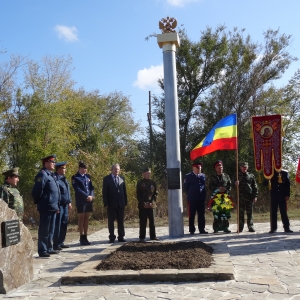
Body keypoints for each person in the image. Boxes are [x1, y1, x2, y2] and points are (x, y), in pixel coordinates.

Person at [32, 154, 60, 258]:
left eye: (54, 162)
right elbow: (37, 190)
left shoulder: (51, 175)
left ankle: (49, 247)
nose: (54, 164)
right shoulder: (42, 174)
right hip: (46, 205)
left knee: (51, 229)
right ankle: (42, 249)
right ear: (46, 163)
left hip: (53, 206)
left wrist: (56, 205)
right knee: (44, 229)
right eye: (52, 162)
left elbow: (55, 192)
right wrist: (39, 202)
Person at [102, 163, 127, 243]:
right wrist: (106, 203)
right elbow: (104, 192)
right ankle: (112, 237)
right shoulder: (106, 179)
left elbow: (124, 191)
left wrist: (125, 201)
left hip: (120, 204)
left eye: (118, 169)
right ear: (112, 170)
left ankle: (121, 236)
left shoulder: (122, 178)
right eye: (115, 169)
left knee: (120, 221)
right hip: (111, 204)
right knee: (111, 221)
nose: (116, 171)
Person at [71, 161, 94, 245]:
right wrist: (86, 196)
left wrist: (91, 196)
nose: (85, 170)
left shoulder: (88, 176)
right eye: (84, 168)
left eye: (86, 168)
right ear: (80, 168)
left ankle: (85, 236)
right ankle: (81, 236)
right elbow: (77, 189)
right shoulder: (75, 177)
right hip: (81, 200)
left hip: (89, 200)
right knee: (81, 218)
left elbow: (91, 187)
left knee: (86, 218)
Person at [184, 160, 208, 234]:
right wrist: (191, 193)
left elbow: (204, 186)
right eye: (197, 168)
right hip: (192, 199)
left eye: (200, 168)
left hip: (201, 199)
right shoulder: (188, 176)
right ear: (193, 168)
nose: (199, 169)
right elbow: (185, 187)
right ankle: (192, 229)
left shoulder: (203, 176)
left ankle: (202, 229)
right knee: (192, 214)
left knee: (201, 215)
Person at [208, 160, 232, 233]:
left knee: (225, 212)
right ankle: (216, 228)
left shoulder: (226, 176)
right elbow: (210, 186)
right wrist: (217, 189)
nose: (220, 168)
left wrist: (226, 188)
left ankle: (225, 227)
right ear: (215, 168)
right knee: (217, 212)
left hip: (225, 197)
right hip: (216, 197)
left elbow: (230, 185)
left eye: (221, 167)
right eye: (218, 167)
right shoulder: (212, 177)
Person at [136, 167, 158, 242]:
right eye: (147, 173)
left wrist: (152, 202)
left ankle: (153, 236)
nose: (148, 174)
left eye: (149, 173)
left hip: (152, 205)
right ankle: (142, 236)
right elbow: (138, 194)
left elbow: (155, 194)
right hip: (143, 206)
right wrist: (143, 203)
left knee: (152, 221)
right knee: (143, 221)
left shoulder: (153, 182)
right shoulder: (140, 182)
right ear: (143, 174)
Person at [53, 162, 72, 250]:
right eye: (64, 168)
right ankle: (56, 243)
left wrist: (69, 202)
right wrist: (56, 206)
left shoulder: (64, 178)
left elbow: (68, 191)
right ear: (59, 169)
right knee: (58, 224)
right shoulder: (55, 178)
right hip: (59, 205)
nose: (65, 170)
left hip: (65, 205)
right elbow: (56, 194)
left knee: (64, 223)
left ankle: (61, 242)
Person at [235, 162, 258, 232]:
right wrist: (235, 184)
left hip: (249, 196)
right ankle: (240, 227)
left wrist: (255, 196)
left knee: (250, 213)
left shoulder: (251, 175)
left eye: (245, 167)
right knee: (240, 213)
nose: (244, 168)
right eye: (243, 167)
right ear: (240, 167)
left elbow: (255, 186)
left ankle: (250, 226)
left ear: (247, 167)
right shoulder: (237, 175)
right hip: (240, 197)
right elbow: (231, 185)